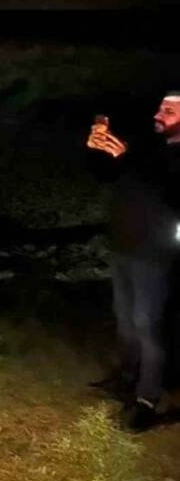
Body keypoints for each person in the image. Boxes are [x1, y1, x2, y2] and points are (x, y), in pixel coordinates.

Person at [87, 93, 180, 431]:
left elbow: (169, 192)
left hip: (155, 255)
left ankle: (148, 400)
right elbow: (107, 176)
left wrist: (127, 159)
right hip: (124, 248)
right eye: (159, 108)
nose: (158, 114)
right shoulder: (149, 148)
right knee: (125, 322)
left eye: (169, 111)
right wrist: (96, 151)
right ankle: (127, 379)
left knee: (148, 326)